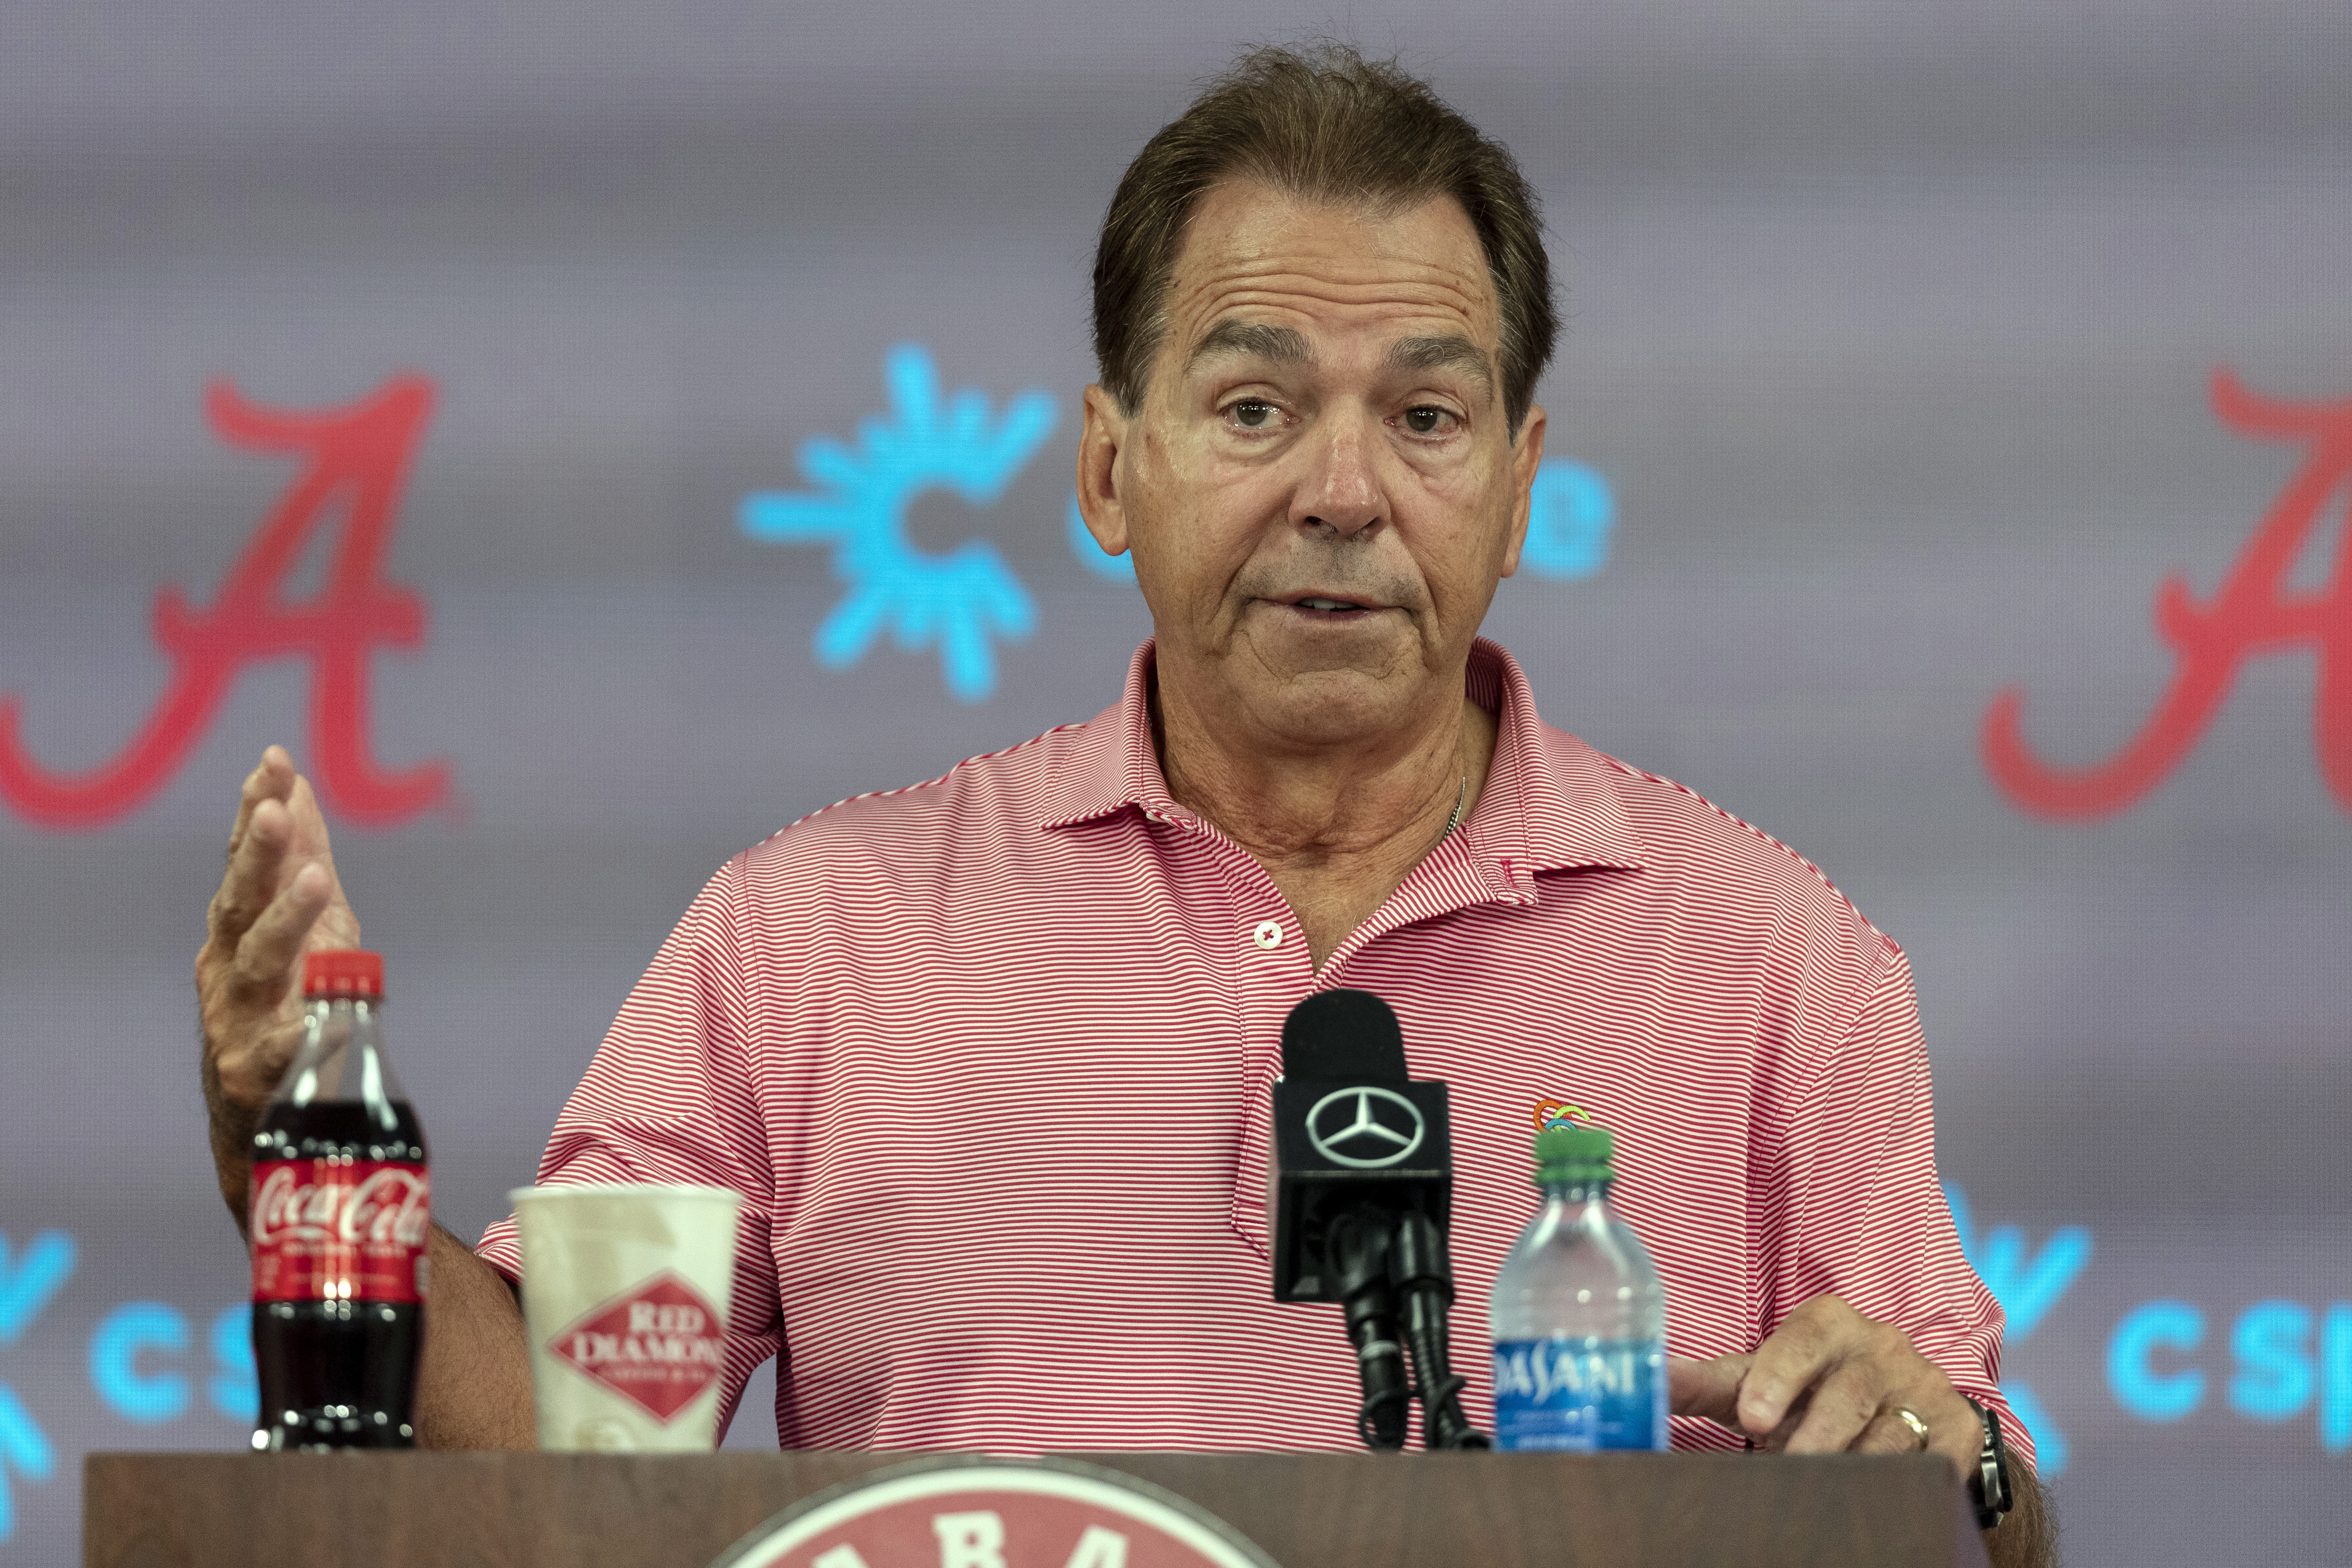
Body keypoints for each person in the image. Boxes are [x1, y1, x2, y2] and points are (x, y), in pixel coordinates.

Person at [197, 44, 2049, 1562]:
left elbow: (1993, 1509)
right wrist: (295, 1148)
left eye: (1425, 419)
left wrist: (1942, 1454)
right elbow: (561, 1442)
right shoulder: (811, 936)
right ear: (1106, 468)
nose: (1342, 490)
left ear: (1516, 483)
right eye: (1254, 408)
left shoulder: (1774, 961)